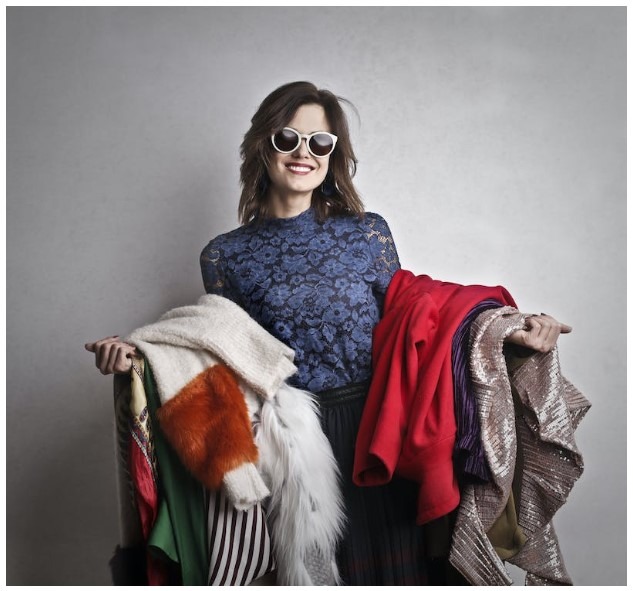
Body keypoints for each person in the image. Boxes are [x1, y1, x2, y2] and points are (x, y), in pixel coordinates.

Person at [86, 81, 571, 585]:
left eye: (320, 142)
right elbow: (219, 346)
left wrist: (504, 329)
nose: (304, 153)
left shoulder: (367, 232)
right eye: (288, 138)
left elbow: (415, 315)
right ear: (262, 145)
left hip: (377, 432)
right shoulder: (225, 255)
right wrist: (142, 354)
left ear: (333, 154)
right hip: (295, 449)